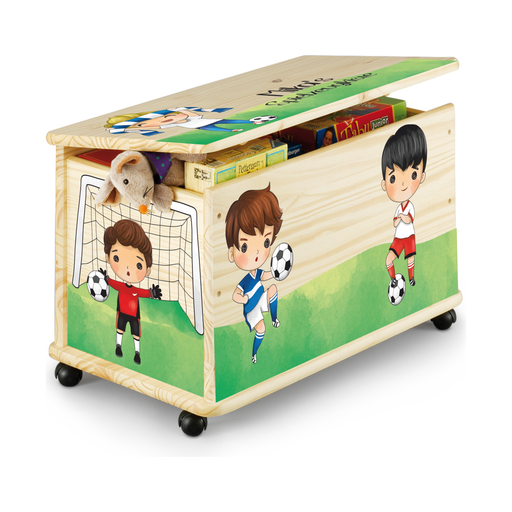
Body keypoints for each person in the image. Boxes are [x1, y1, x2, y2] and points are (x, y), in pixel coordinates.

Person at [225, 185, 283, 363]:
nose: (257, 252)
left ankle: (275, 318)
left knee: (273, 289)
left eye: (266, 242)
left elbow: (264, 276)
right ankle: (254, 354)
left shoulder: (257, 272)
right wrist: (242, 299)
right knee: (261, 329)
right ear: (232, 252)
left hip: (260, 300)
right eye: (245, 247)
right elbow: (235, 294)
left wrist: (275, 272)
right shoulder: (245, 280)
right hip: (251, 309)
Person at [101, 219, 162, 365]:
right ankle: (118, 346)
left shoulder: (135, 290)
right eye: (117, 258)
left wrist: (152, 293)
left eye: (138, 265)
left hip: (134, 316)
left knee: (136, 334)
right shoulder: (121, 287)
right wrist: (106, 279)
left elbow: (144, 293)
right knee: (119, 329)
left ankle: (137, 353)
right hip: (121, 313)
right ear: (108, 257)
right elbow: (113, 283)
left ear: (147, 270)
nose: (128, 269)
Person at [381, 124, 427, 288]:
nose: (402, 184)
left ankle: (411, 277)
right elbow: (395, 223)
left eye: (413, 174)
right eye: (393, 178)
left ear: (422, 176)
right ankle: (393, 279)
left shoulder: (409, 206)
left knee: (410, 258)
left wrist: (401, 217)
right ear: (384, 184)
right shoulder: (398, 208)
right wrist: (397, 219)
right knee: (389, 259)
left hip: (408, 236)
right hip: (398, 238)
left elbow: (408, 220)